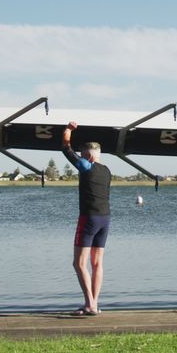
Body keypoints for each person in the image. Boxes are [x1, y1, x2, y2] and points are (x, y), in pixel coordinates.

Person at [62, 121, 112, 316]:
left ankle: (89, 304)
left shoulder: (86, 166)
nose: (80, 159)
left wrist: (68, 130)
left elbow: (65, 149)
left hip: (89, 218)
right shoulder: (106, 170)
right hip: (105, 218)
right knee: (97, 263)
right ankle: (94, 304)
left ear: (88, 156)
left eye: (83, 155)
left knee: (79, 263)